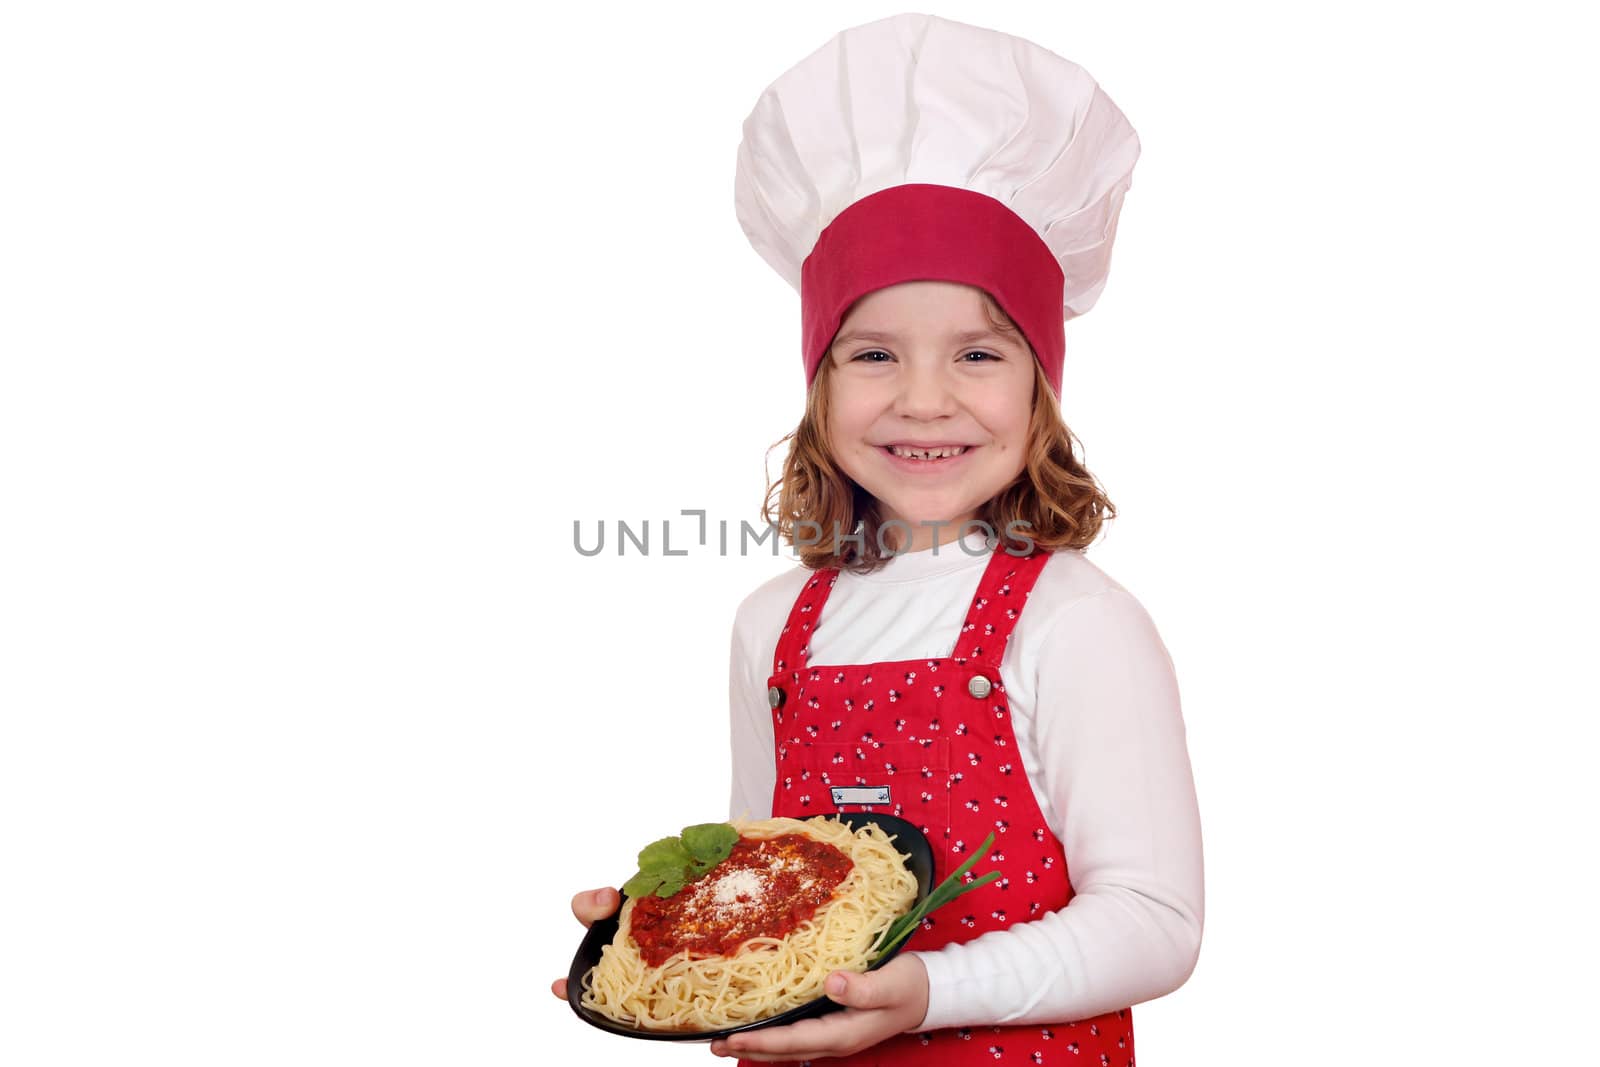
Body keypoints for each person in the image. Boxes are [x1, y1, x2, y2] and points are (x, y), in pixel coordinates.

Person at [553, 13, 1203, 1065]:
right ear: (817, 383)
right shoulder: (773, 622)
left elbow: (1155, 919)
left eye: (979, 353)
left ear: (1042, 388)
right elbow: (766, 871)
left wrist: (928, 990)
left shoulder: (1076, 619)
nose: (925, 399)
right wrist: (662, 924)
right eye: (872, 353)